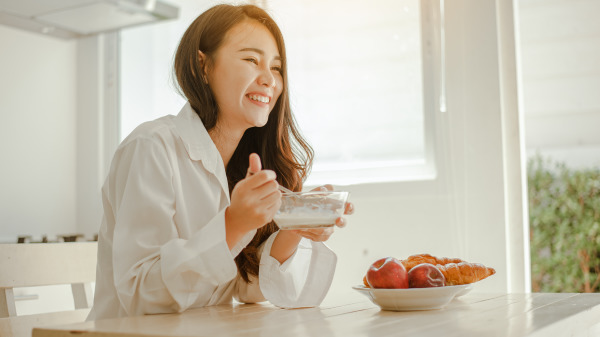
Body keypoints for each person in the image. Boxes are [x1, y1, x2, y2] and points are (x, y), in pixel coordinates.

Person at [87, 4, 353, 320]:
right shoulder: (152, 147)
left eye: (277, 67)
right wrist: (234, 223)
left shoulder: (246, 163)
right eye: (252, 60)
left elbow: (247, 287)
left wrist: (296, 229)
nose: (269, 79)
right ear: (203, 65)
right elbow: (142, 296)